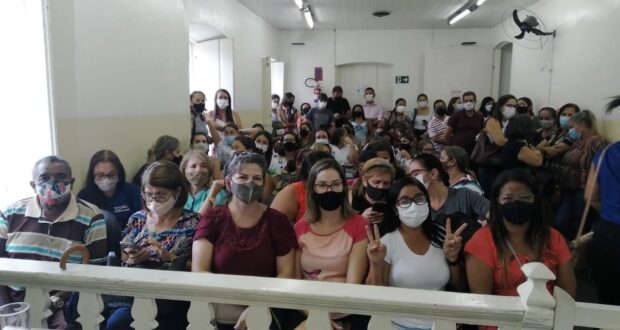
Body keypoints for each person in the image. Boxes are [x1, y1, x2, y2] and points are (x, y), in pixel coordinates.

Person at [192, 153, 298, 329]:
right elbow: (199, 270)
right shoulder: (213, 218)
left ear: (264, 184)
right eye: (242, 177)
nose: (250, 183)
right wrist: (237, 295)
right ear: (228, 183)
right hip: (220, 307)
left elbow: (286, 274)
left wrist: (259, 305)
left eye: (257, 178)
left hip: (267, 308)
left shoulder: (277, 221)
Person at [0, 156, 108, 329]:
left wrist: (54, 301)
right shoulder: (10, 213)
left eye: (60, 178)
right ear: (33, 184)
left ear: (71, 182)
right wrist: (6, 311)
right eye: (44, 178)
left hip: (61, 303)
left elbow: (95, 272)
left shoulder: (91, 217)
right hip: (14, 301)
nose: (52, 184)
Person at [465, 169, 576, 330]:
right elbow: (483, 303)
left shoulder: (553, 238)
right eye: (507, 198)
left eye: (525, 197)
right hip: (501, 324)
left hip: (547, 323)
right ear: (497, 201)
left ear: (536, 200)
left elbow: (567, 291)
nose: (516, 203)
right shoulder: (482, 241)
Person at [366, 177, 467, 330]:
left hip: (442, 324)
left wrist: (453, 259)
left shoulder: (442, 235)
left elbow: (458, 286)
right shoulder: (386, 243)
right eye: (405, 201)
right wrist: (376, 264)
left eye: (419, 198)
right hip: (397, 325)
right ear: (395, 209)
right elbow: (375, 297)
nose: (413, 205)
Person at [116, 161, 199, 330]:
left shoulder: (193, 222)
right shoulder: (137, 219)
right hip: (136, 294)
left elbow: (200, 267)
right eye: (148, 195)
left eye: (160, 195)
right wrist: (132, 256)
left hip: (172, 299)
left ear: (177, 192)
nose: (153, 201)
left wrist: (170, 259)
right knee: (116, 324)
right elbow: (122, 255)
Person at [295, 158, 370, 329]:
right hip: (307, 310)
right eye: (322, 185)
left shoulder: (359, 224)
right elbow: (295, 280)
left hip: (345, 313)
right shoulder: (301, 227)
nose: (329, 190)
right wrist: (317, 317)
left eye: (335, 184)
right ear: (313, 189)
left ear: (344, 187)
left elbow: (353, 285)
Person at [410, 154, 489, 242]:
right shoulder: (417, 206)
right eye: (409, 176)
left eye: (416, 174)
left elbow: (493, 213)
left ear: (433, 174)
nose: (411, 180)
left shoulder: (465, 195)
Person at [554, 110, 607, 240]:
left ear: (582, 125)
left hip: (583, 191)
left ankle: (578, 254)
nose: (570, 130)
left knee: (580, 225)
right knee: (560, 222)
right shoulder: (578, 142)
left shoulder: (596, 141)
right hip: (569, 188)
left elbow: (604, 165)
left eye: (572, 127)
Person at [588, 95, 620, 306]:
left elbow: (591, 196)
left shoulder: (607, 152)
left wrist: (611, 211)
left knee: (608, 300)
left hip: (609, 235)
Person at [78, 150, 141, 228]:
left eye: (111, 174)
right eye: (100, 175)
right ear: (92, 175)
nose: (106, 179)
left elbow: (143, 220)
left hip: (129, 237)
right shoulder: (84, 196)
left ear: (119, 173)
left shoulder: (133, 191)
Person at [271, 151, 334, 223]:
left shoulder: (341, 191)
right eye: (321, 184)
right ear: (306, 179)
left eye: (334, 183)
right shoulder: (292, 191)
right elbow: (272, 226)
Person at [477, 94, 516, 196]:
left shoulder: (509, 122)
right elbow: (500, 142)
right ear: (500, 106)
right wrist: (517, 143)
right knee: (491, 195)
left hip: (502, 164)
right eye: (509, 105)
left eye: (514, 106)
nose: (512, 108)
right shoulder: (493, 120)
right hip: (490, 164)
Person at [350, 158, 397, 236]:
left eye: (386, 183)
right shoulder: (355, 198)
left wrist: (387, 219)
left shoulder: (394, 200)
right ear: (365, 181)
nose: (381, 187)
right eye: (376, 182)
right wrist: (361, 219)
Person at [180, 150, 227, 216]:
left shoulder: (217, 192)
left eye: (204, 166)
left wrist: (211, 195)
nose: (198, 170)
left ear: (209, 170)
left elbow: (201, 222)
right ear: (184, 170)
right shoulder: (179, 192)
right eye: (193, 166)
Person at [443, 91, 483, 155]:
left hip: (474, 151)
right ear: (463, 102)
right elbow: (446, 136)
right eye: (466, 101)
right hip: (458, 151)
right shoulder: (455, 115)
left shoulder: (479, 116)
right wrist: (451, 149)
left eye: (471, 100)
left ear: (475, 102)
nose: (468, 103)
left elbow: (481, 133)